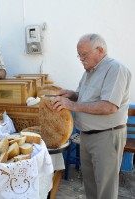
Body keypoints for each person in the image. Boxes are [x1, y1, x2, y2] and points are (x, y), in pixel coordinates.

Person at [52, 33, 131, 199]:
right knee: (90, 186)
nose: (81, 59)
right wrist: (71, 95)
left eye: (84, 54)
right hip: (87, 136)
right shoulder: (89, 70)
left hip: (106, 136)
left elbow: (109, 106)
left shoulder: (115, 69)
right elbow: (84, 96)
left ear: (100, 50)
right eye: (79, 55)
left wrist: (72, 105)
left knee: (105, 188)